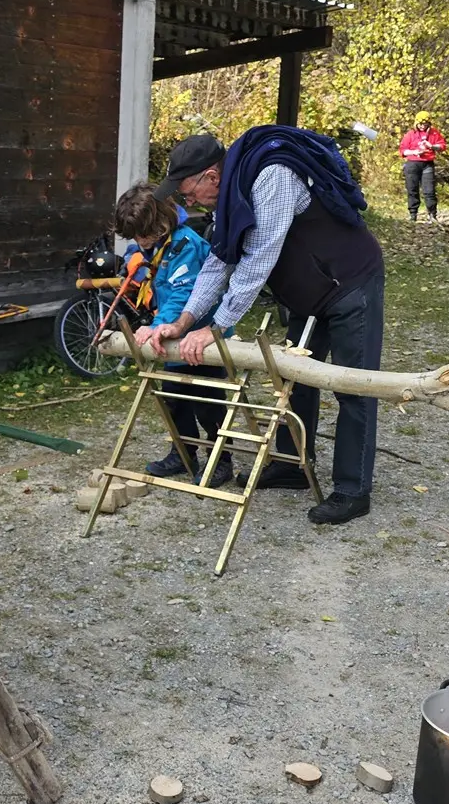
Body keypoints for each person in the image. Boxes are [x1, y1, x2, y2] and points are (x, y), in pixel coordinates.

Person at [148, 128, 384, 526]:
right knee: (294, 380)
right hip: (309, 294)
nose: (184, 201)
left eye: (186, 192)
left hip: (351, 284)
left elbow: (259, 256)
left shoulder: (271, 177)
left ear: (211, 175)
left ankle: (352, 489)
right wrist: (183, 321)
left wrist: (218, 327)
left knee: (352, 385)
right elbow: (220, 260)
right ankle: (292, 466)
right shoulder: (229, 196)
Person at [112, 184, 232, 486]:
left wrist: (157, 326)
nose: (139, 241)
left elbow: (183, 294)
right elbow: (141, 262)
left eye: (142, 235)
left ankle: (221, 459)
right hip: (171, 335)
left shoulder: (185, 246)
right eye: (135, 237)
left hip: (201, 334)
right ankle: (183, 452)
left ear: (161, 224)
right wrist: (134, 264)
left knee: (208, 401)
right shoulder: (149, 243)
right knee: (173, 398)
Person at [398, 111, 446, 223]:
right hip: (412, 164)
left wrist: (433, 146)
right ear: (416, 123)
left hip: (428, 164)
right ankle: (413, 215)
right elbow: (403, 150)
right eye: (420, 124)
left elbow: (443, 146)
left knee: (429, 191)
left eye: (425, 124)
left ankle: (432, 215)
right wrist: (414, 152)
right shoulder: (410, 134)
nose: (423, 126)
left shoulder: (434, 134)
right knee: (412, 189)